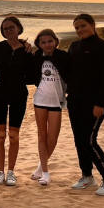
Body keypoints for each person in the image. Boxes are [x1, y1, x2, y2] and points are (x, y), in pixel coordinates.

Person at [67, 14, 104, 195]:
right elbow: (66, 70)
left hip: (94, 104)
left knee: (89, 141)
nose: (80, 30)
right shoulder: (74, 46)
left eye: (83, 26)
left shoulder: (103, 47)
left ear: (92, 25)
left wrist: (100, 103)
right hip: (74, 101)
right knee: (79, 140)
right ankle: (87, 176)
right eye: (76, 28)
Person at [0, 16, 32, 186]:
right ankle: (0, 172)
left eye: (11, 27)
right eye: (5, 29)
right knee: (0, 136)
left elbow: (33, 74)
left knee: (13, 136)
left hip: (19, 95)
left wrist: (19, 79)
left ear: (18, 28)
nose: (8, 31)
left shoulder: (27, 50)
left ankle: (11, 172)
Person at [29, 29, 69, 186]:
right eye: (43, 42)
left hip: (57, 102)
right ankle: (45, 173)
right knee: (42, 135)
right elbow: (29, 73)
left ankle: (40, 166)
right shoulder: (36, 57)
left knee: (52, 138)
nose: (47, 45)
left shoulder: (63, 56)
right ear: (39, 44)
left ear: (56, 41)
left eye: (50, 41)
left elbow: (72, 76)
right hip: (40, 100)